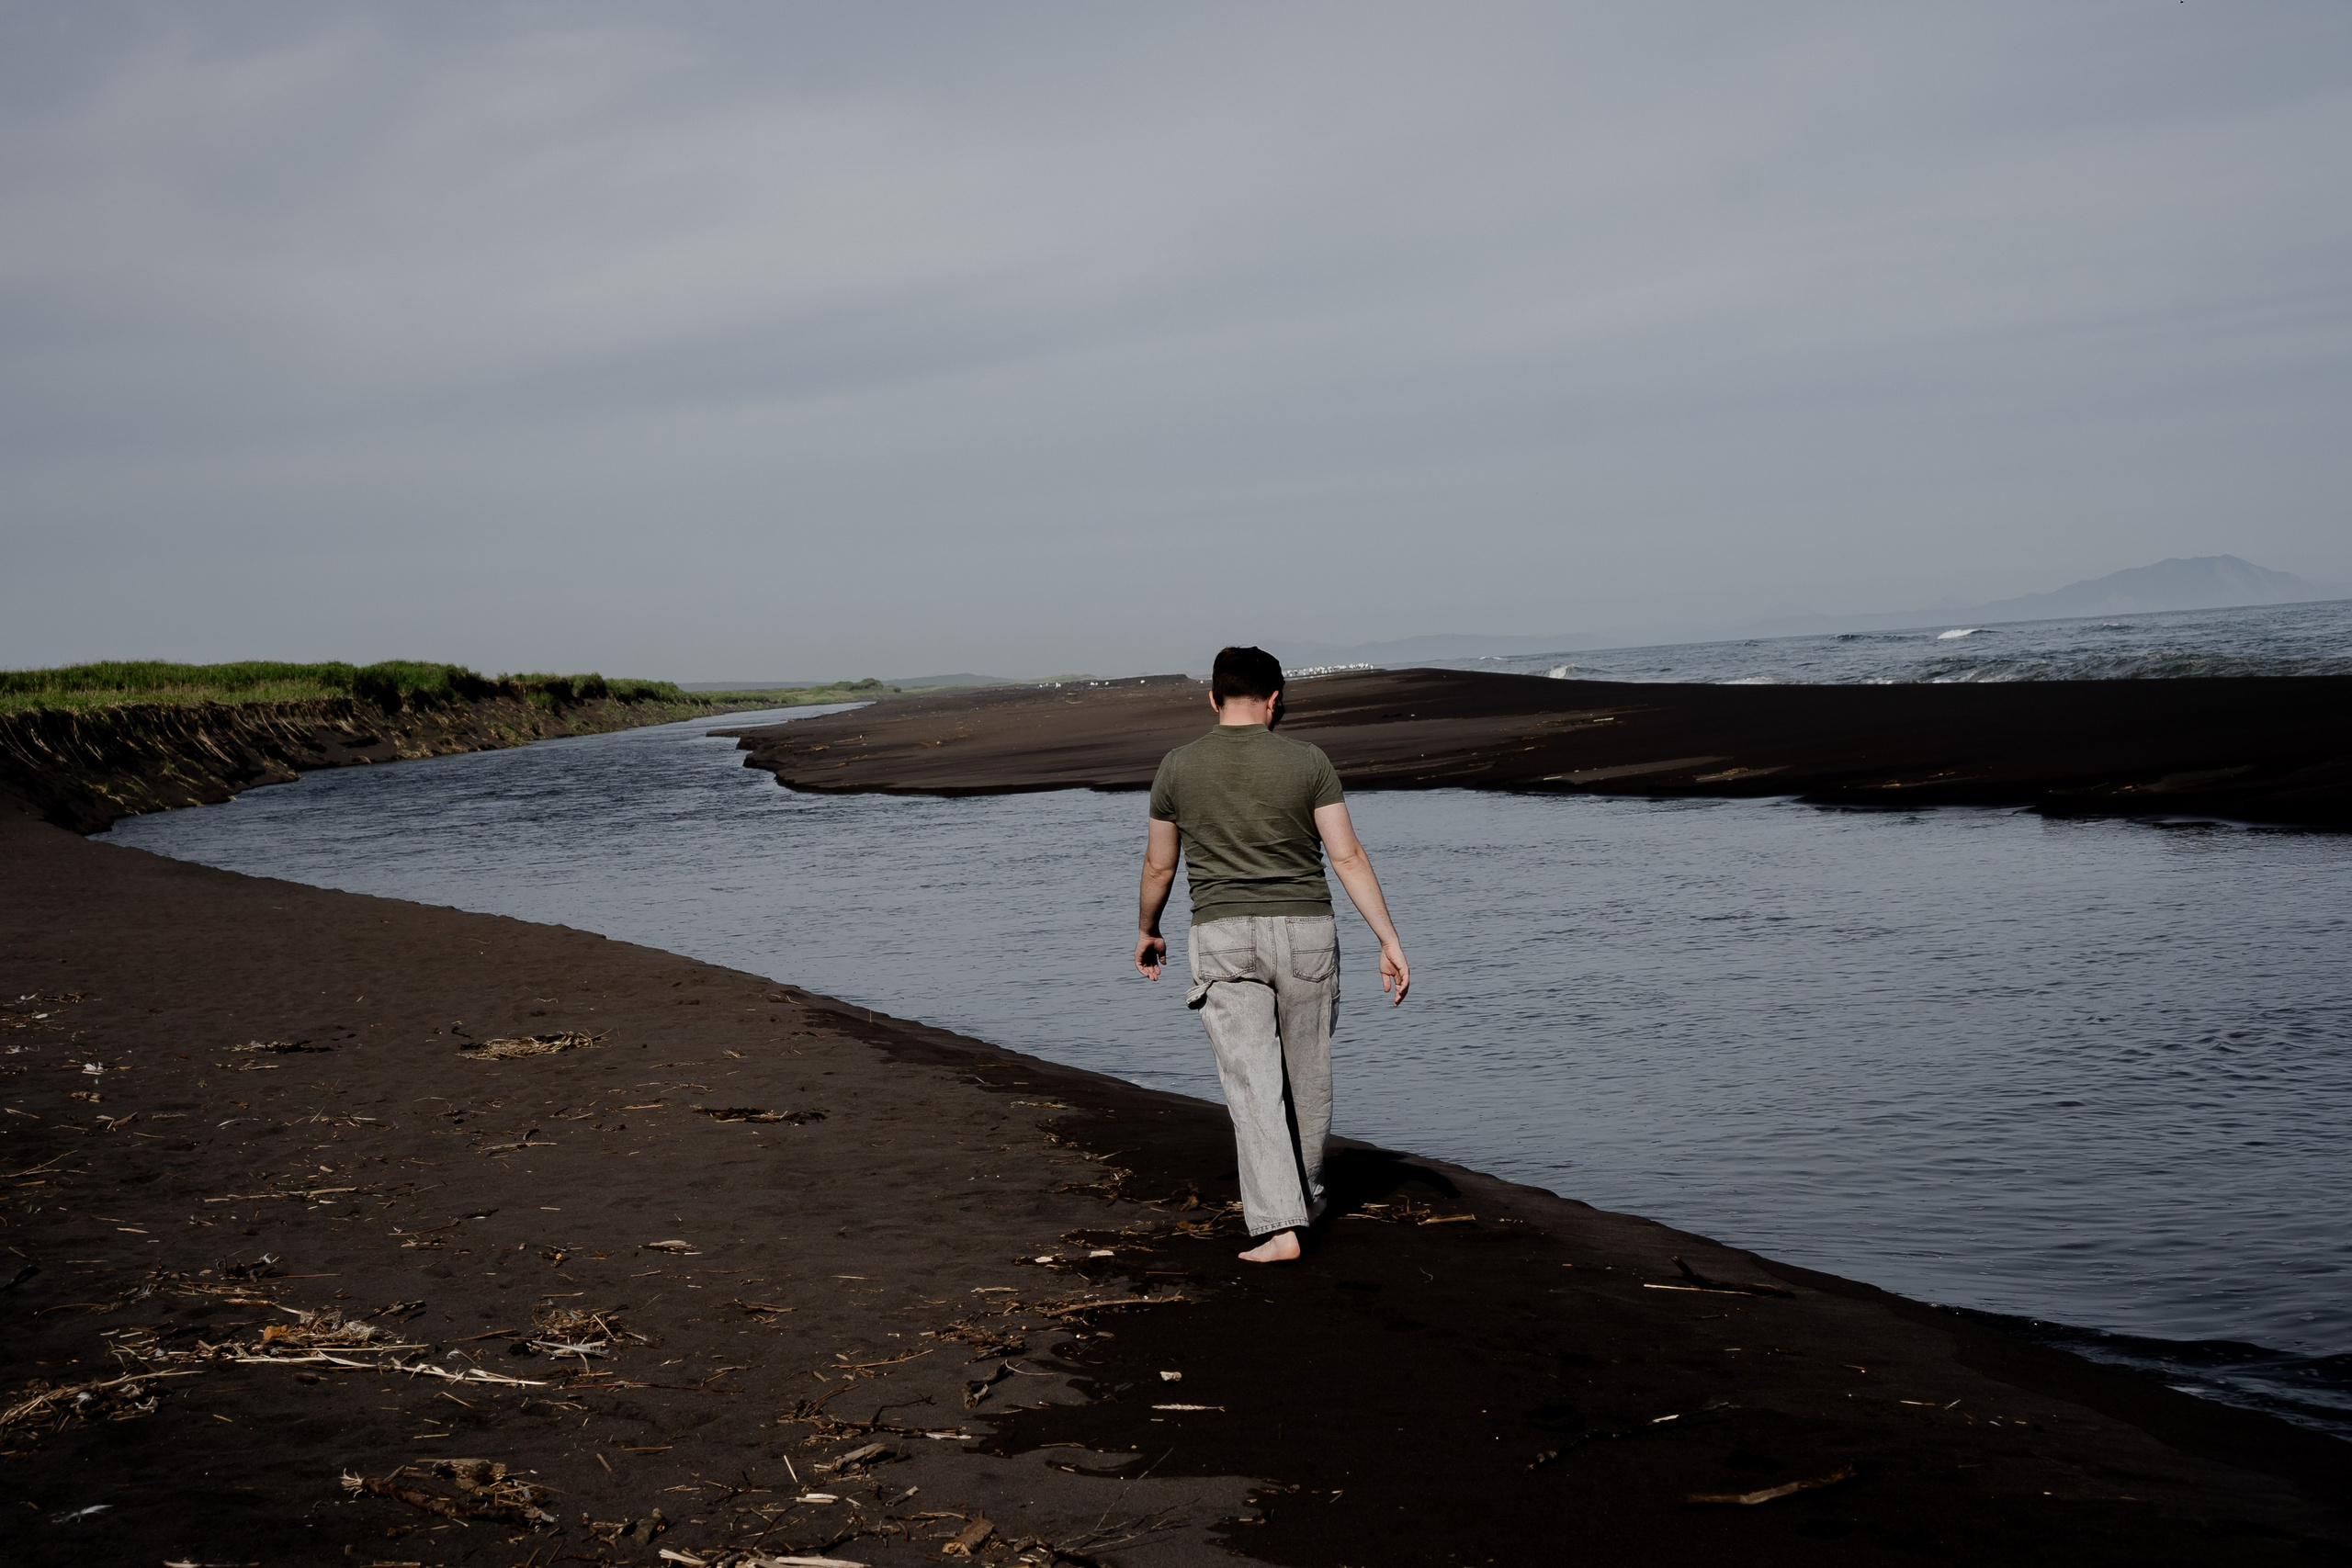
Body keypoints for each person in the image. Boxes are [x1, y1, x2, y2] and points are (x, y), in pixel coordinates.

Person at [1134, 645, 1410, 1264]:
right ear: (1275, 699)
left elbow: (1160, 862)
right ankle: (1305, 1197)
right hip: (1307, 930)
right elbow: (1346, 855)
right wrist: (1388, 938)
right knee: (1308, 1074)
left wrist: (1148, 928)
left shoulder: (1177, 767)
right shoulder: (1308, 760)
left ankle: (1283, 1224)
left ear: (1213, 698)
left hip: (1224, 934)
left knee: (1254, 1082)